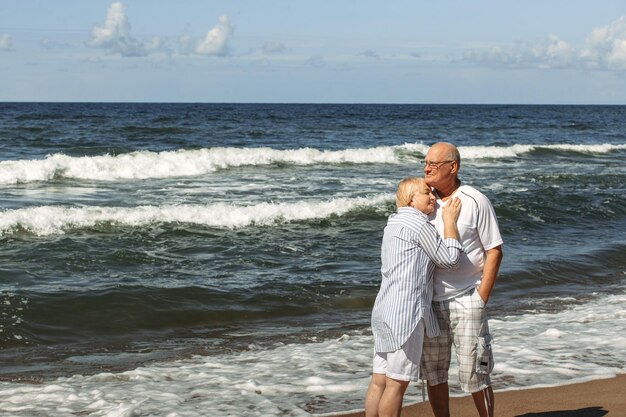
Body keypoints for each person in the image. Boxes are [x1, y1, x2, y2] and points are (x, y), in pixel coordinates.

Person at [364, 177, 463, 417]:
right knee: (397, 383)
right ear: (410, 199)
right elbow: (449, 259)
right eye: (426, 193)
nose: (433, 198)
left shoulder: (393, 224)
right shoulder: (418, 225)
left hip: (384, 310)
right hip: (405, 314)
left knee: (379, 380)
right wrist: (450, 222)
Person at [420, 142, 504, 417]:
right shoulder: (423, 200)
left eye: (434, 163)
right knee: (434, 374)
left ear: (452, 167)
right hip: (429, 303)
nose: (427, 167)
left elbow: (494, 250)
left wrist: (481, 298)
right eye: (425, 162)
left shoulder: (475, 199)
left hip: (467, 297)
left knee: (475, 374)